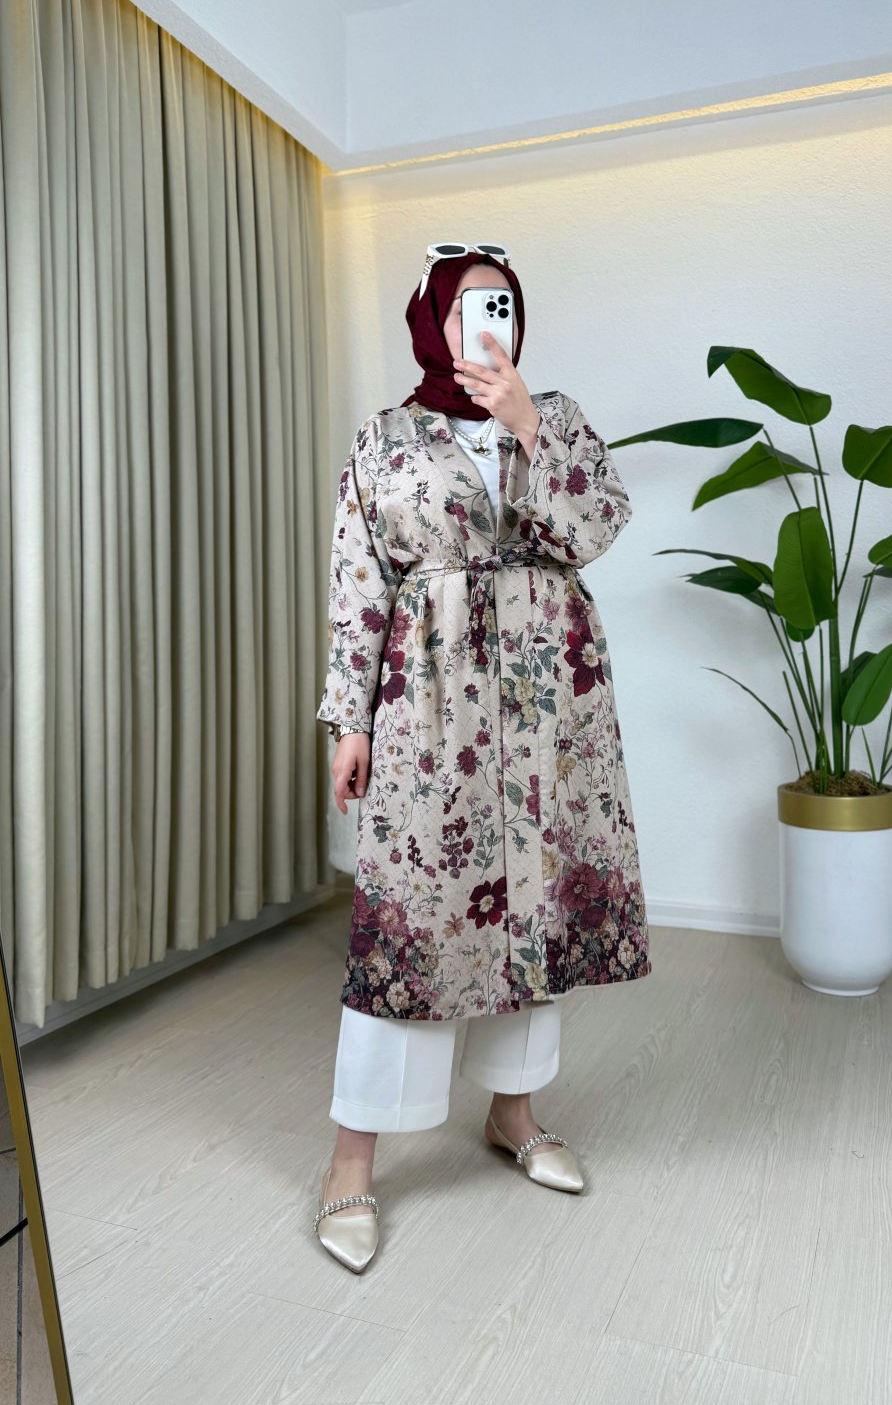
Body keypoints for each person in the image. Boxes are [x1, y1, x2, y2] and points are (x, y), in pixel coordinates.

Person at [313, 243, 651, 1271]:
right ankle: (351, 1162)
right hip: (430, 699)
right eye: (468, 305)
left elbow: (598, 527)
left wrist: (528, 426)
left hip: (547, 699)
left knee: (531, 904)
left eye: (502, 304)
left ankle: (514, 1112)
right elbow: (358, 583)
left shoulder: (557, 417)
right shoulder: (385, 439)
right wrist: (350, 721)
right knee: (413, 919)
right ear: (431, 318)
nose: (487, 322)